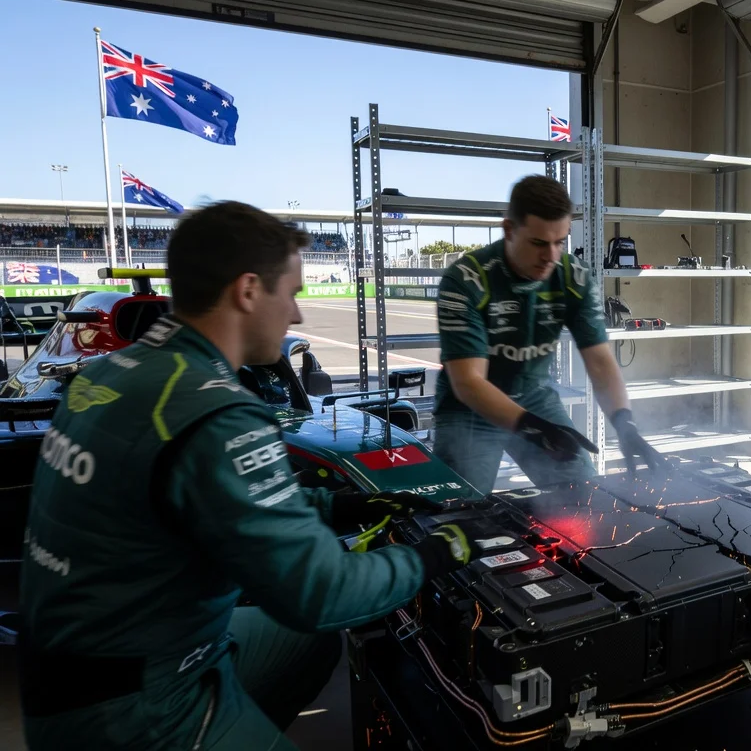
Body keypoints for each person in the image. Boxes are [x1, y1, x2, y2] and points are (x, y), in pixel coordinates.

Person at [18, 201, 482, 749]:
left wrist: (340, 507)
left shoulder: (117, 371)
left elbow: (211, 500)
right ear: (247, 290)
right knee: (315, 620)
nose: (297, 315)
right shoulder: (217, 411)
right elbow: (321, 594)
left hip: (71, 666)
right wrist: (435, 554)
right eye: (290, 294)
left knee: (306, 644)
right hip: (135, 704)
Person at [434, 175, 663, 494]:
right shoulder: (467, 280)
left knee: (586, 497)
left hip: (533, 395)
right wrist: (534, 429)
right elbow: (470, 383)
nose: (551, 256)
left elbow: (599, 361)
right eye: (540, 243)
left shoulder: (575, 276)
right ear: (509, 230)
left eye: (560, 242)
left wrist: (625, 423)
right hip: (469, 410)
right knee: (461, 514)